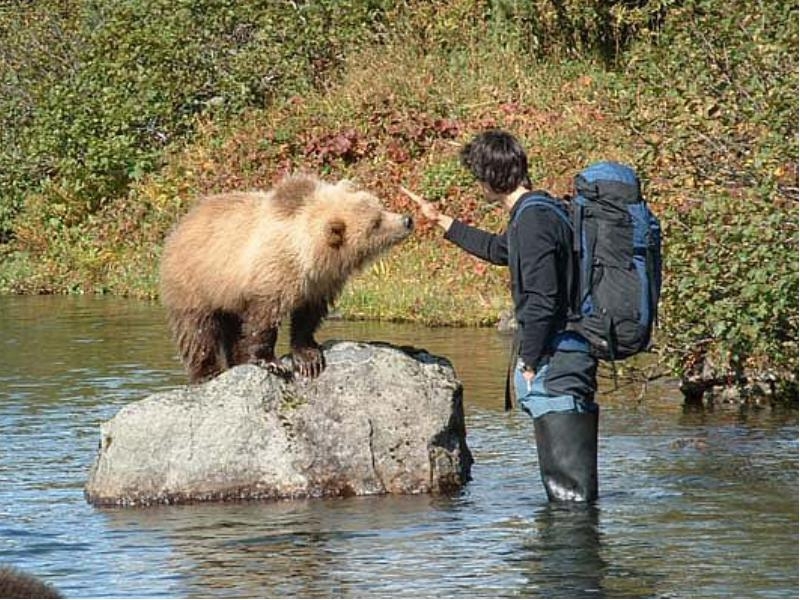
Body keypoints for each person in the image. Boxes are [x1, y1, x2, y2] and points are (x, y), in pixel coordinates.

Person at [401, 129, 599, 502]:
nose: (478, 186)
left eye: (478, 178)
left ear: (489, 179)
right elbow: (499, 250)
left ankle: (569, 558)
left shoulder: (534, 221)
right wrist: (441, 220)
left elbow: (542, 299)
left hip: (558, 361)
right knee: (571, 491)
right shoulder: (541, 211)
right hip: (567, 354)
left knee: (570, 495)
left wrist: (530, 359)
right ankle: (563, 555)